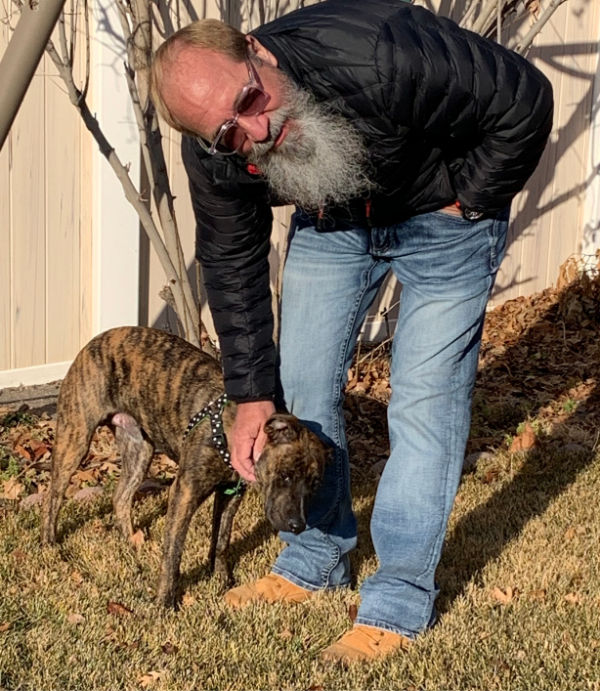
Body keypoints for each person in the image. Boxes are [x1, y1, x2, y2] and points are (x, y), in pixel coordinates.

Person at [150, 0, 553, 663]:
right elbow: (232, 260)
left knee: (422, 403)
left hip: (445, 217)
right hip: (338, 215)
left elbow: (524, 98)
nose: (256, 127)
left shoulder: (383, 52)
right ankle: (315, 556)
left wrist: (471, 198)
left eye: (251, 97)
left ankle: (397, 599)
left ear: (259, 52)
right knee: (302, 386)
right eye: (228, 132)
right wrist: (251, 393)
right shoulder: (220, 154)